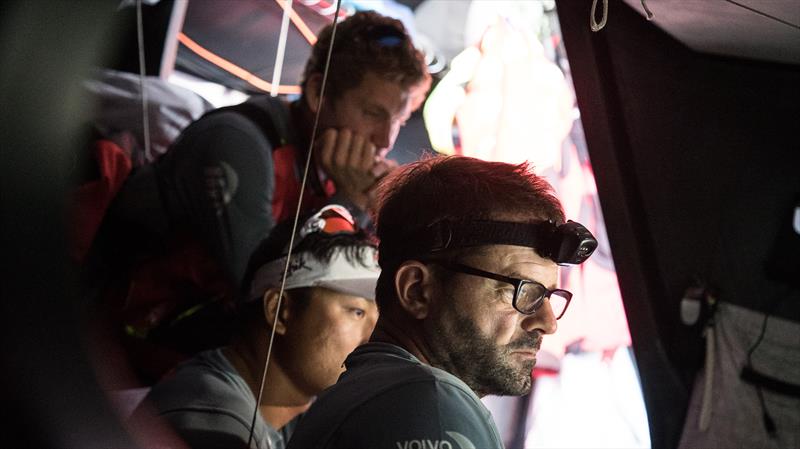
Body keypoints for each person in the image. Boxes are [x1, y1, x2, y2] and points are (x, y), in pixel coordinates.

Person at [101, 10, 430, 378]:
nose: (385, 140)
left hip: (187, 358)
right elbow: (272, 297)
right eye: (372, 113)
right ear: (318, 91)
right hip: (110, 342)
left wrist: (371, 213)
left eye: (398, 121)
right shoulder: (239, 143)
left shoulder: (335, 171)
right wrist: (351, 205)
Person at [286, 156, 598, 449]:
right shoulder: (426, 405)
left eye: (547, 296)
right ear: (417, 290)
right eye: (520, 291)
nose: (548, 322)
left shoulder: (370, 395)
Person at [131, 205, 380, 449]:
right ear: (280, 311)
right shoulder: (212, 423)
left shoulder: (291, 412)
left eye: (376, 316)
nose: (375, 337)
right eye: (357, 312)